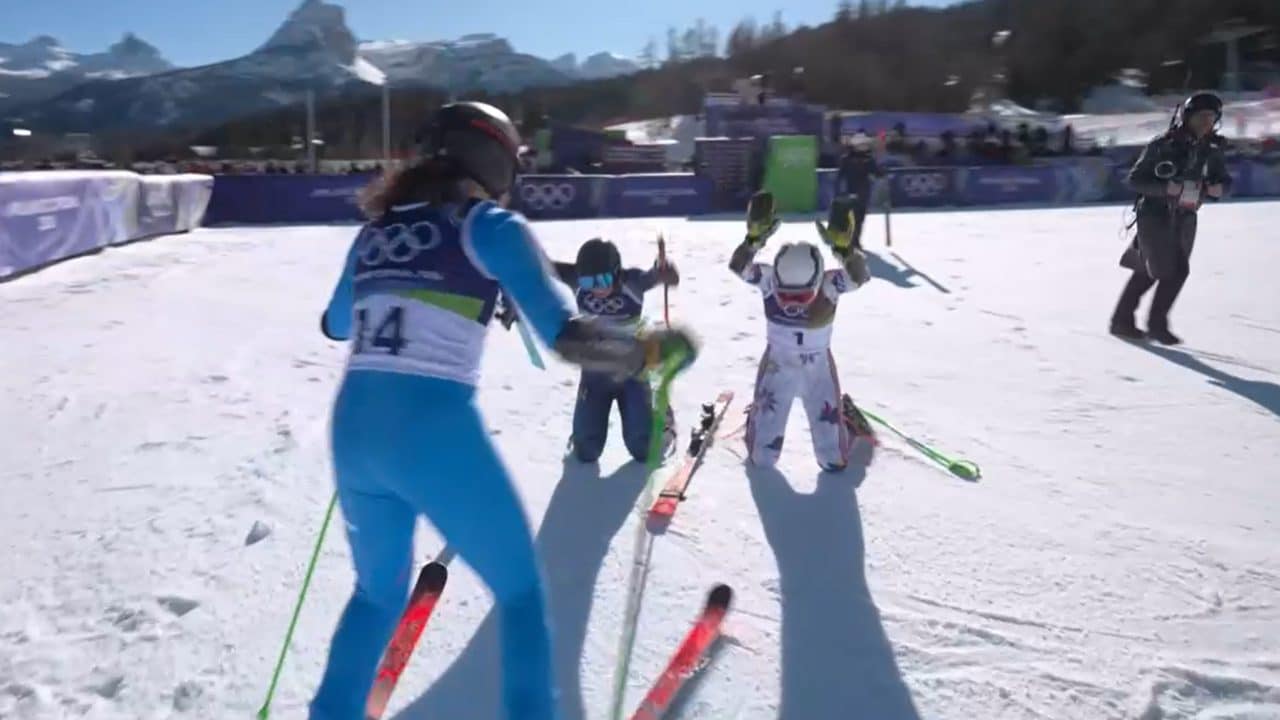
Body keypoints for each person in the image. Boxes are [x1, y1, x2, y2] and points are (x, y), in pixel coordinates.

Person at [310, 101, 696, 720]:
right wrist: (646, 350)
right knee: (519, 596)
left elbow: (333, 324)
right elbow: (567, 337)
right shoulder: (489, 225)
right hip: (433, 429)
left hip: (354, 430)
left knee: (375, 595)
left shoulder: (373, 232)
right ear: (495, 159)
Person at [728, 191, 874, 472]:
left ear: (819, 278)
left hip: (817, 369)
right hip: (777, 366)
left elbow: (860, 276)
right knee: (762, 459)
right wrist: (753, 240)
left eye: (802, 296)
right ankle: (755, 420)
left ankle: (848, 420)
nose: (793, 304)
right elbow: (739, 267)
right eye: (788, 295)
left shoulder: (831, 284)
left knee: (833, 461)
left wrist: (845, 252)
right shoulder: (770, 279)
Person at [1110, 91, 1233, 345]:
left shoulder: (1213, 148)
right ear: (1187, 117)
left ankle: (1122, 321)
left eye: (1210, 117)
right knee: (1173, 270)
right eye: (1200, 117)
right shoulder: (1163, 144)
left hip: (1186, 215)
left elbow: (1223, 179)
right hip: (1155, 215)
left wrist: (1219, 188)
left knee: (1150, 270)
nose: (1205, 122)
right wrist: (1166, 188)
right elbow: (1135, 179)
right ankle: (1156, 325)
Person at [552, 238, 680, 463]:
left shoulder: (633, 282)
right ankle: (583, 434)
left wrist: (665, 273)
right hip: (594, 372)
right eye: (588, 281)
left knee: (642, 449)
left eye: (603, 279)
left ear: (617, 272)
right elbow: (541, 267)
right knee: (586, 451)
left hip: (632, 371)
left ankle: (663, 422)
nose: (597, 288)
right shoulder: (578, 281)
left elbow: (659, 276)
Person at [835, 132, 883, 249]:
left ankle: (855, 240)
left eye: (865, 145)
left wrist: (881, 170)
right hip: (850, 192)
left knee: (859, 219)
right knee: (852, 218)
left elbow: (877, 173)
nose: (864, 147)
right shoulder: (847, 159)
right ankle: (850, 240)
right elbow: (840, 176)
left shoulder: (868, 159)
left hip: (863, 193)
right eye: (862, 144)